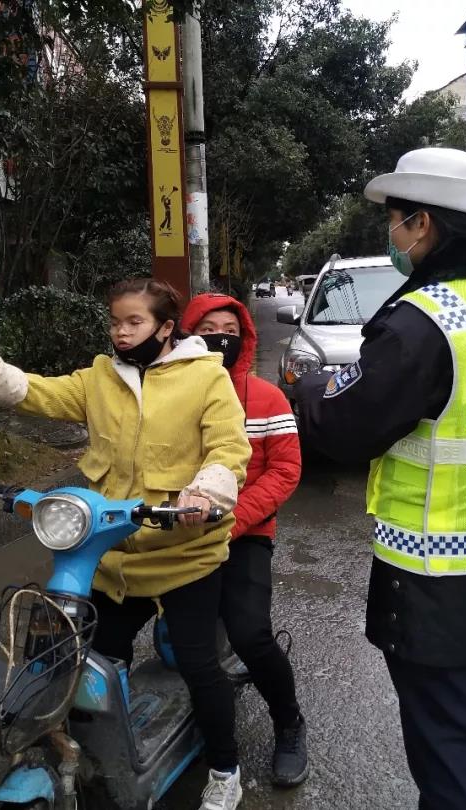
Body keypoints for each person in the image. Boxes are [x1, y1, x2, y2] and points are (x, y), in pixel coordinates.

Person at [293, 148, 466, 810]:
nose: (391, 234)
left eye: (394, 220)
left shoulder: (425, 320)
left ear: (422, 225)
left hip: (431, 573)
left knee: (444, 743)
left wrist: (305, 391)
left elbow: (347, 427)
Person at [0, 278, 253, 810]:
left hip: (184, 553)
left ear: (166, 327)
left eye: (134, 322)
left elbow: (227, 446)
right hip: (110, 553)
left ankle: (224, 768)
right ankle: (90, 754)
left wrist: (206, 491)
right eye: (115, 322)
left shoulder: (207, 379)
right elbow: (39, 392)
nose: (121, 333)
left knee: (199, 666)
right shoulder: (101, 377)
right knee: (82, 661)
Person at [181, 293, 309, 788]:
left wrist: (232, 521)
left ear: (245, 338)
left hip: (244, 532)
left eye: (230, 330)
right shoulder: (166, 396)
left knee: (250, 633)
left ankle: (290, 722)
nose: (219, 337)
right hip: (180, 535)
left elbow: (285, 469)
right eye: (207, 327)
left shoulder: (265, 398)